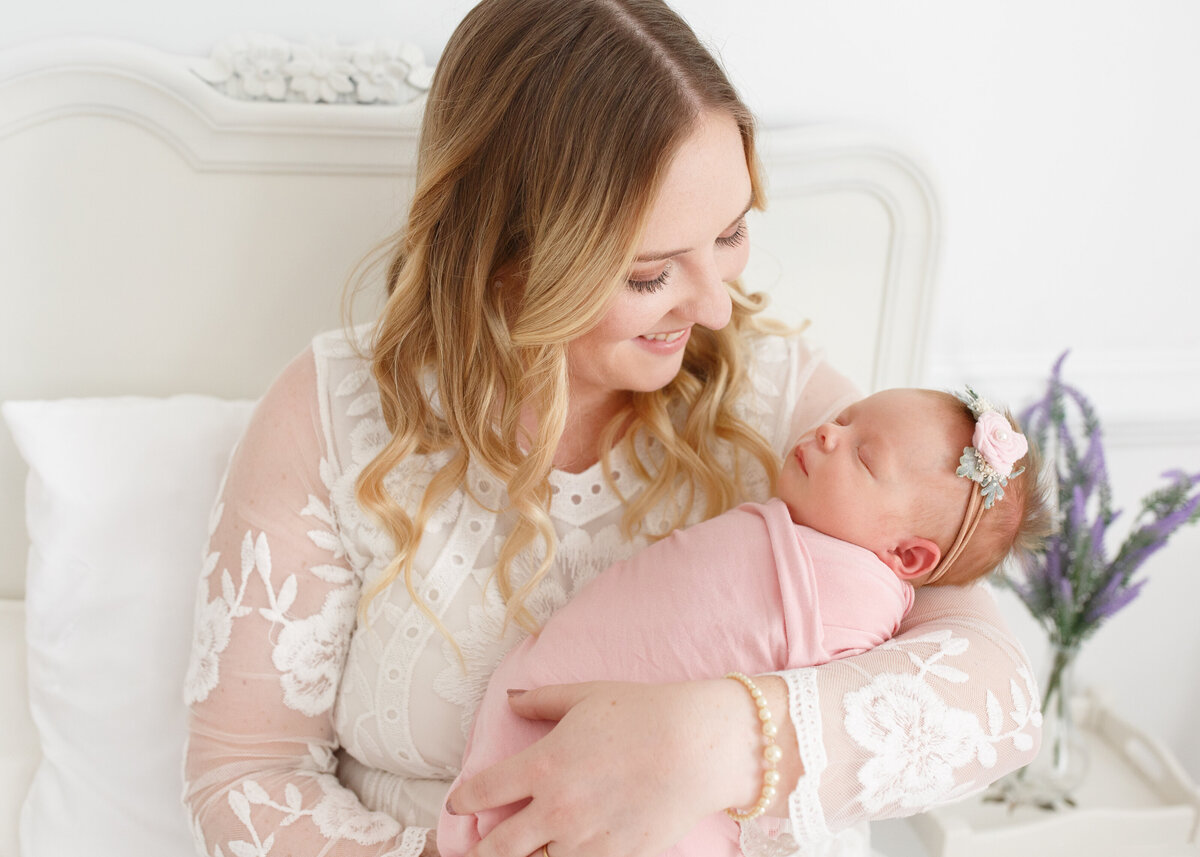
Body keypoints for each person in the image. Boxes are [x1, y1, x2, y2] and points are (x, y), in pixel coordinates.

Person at [182, 2, 1044, 857]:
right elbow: (244, 775)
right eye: (649, 273)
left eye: (732, 233)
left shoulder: (799, 420)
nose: (715, 305)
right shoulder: (337, 416)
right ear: (510, 255)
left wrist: (702, 742)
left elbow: (996, 700)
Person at [438, 387, 1049, 857]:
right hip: (532, 731)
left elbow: (978, 698)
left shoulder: (850, 600)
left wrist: (712, 740)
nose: (830, 433)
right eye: (843, 417)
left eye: (863, 456)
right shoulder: (806, 523)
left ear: (907, 558)